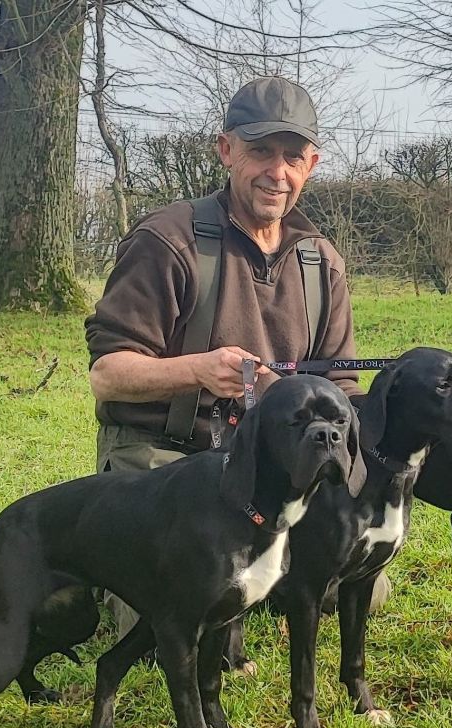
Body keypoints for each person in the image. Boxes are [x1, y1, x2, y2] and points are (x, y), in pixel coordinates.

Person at [85, 76, 374, 639]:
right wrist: (198, 370)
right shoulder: (167, 241)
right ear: (225, 150)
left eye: (293, 157)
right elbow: (107, 376)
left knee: (364, 584)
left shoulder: (322, 262)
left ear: (311, 165)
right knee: (159, 631)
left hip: (272, 465)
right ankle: (112, 561)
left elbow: (344, 387)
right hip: (173, 460)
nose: (277, 172)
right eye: (260, 151)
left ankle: (256, 580)